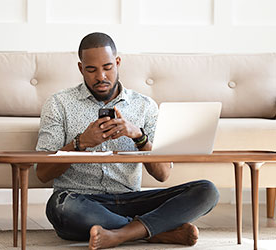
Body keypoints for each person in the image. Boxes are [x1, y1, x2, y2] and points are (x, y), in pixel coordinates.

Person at [35, 32, 219, 250]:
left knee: (206, 191)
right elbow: (43, 173)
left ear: (118, 62)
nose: (100, 76)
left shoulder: (144, 106)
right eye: (91, 69)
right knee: (60, 206)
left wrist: (139, 137)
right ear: (80, 68)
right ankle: (155, 232)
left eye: (107, 67)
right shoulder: (59, 104)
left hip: (132, 200)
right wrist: (80, 143)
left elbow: (163, 174)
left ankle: (120, 233)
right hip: (81, 201)